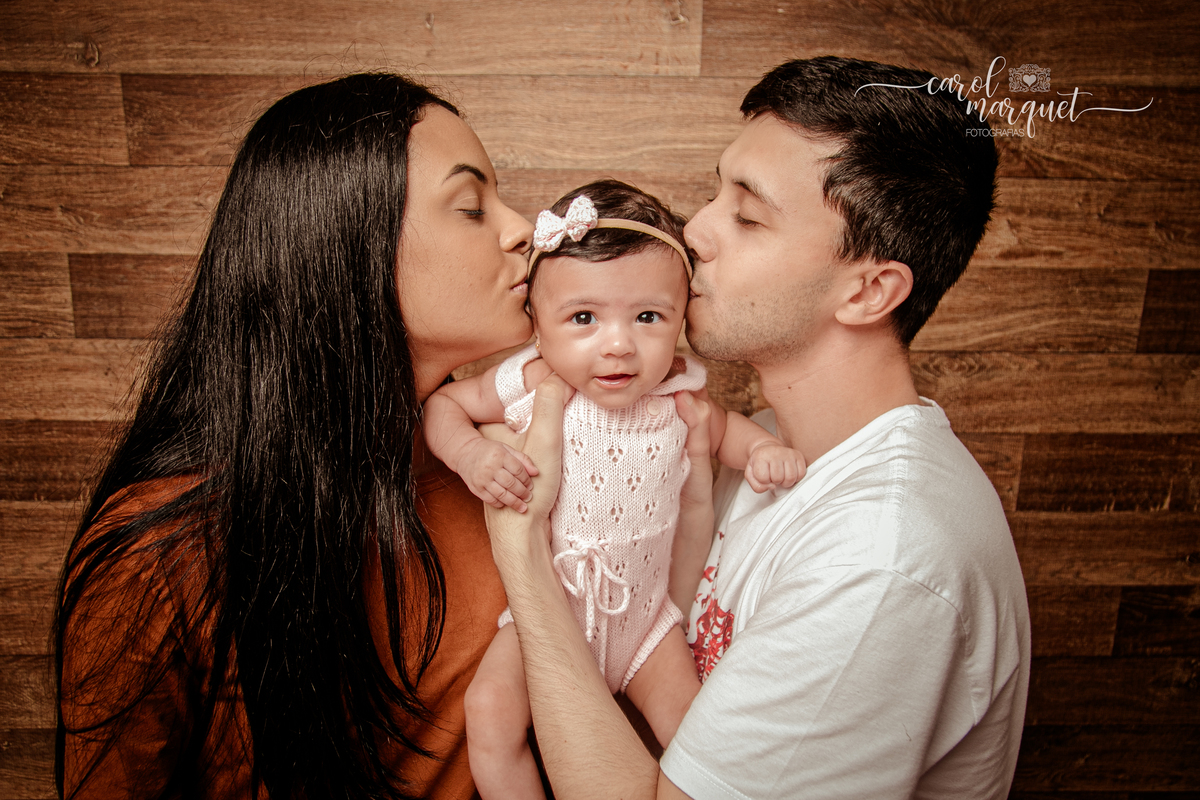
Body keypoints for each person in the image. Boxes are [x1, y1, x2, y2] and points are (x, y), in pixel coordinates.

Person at [482, 56, 1031, 799]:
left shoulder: (880, 558)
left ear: (869, 290)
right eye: (715, 194)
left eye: (746, 214)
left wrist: (520, 549)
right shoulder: (759, 442)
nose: (695, 231)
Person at [54, 73, 538, 799]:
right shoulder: (159, 554)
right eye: (472, 206)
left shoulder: (510, 469)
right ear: (349, 246)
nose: (521, 226)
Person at [423, 180, 805, 799]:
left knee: (696, 734)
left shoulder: (677, 391)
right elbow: (443, 405)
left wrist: (764, 451)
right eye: (583, 318)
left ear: (681, 317)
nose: (619, 344)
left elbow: (725, 430)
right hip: (549, 617)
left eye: (648, 316)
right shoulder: (530, 378)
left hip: (647, 628)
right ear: (537, 325)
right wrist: (472, 454)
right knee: (489, 715)